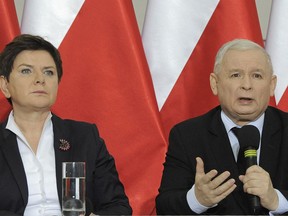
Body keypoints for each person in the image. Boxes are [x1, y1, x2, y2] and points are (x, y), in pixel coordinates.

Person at [0, 34, 132, 216]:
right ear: (5, 85)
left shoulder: (85, 137)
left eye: (49, 72)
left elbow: (118, 206)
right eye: (26, 71)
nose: (40, 79)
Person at [156, 39, 288, 215]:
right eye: (236, 75)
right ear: (214, 83)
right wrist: (197, 200)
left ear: (272, 85)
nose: (247, 85)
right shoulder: (188, 135)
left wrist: (277, 201)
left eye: (257, 75)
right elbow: (165, 206)